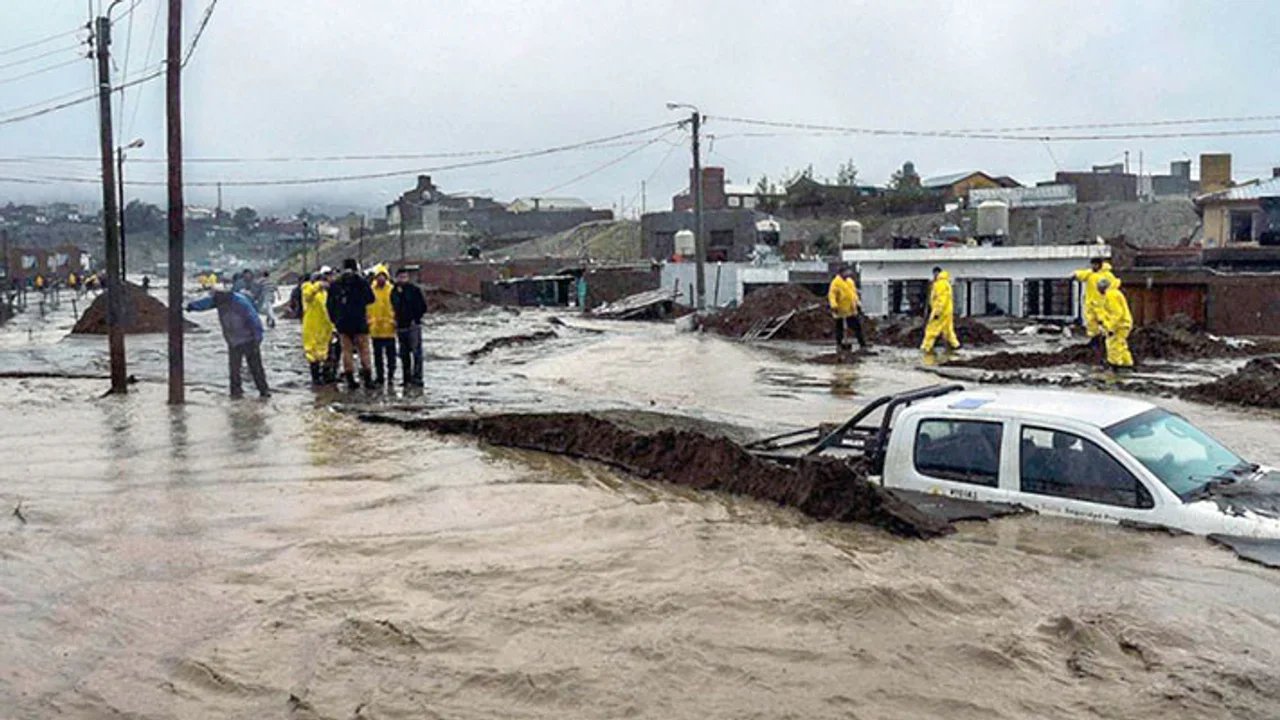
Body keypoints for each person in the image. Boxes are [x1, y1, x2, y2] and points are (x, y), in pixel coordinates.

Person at [186, 290, 270, 399]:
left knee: (255, 367)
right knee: (234, 368)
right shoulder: (218, 300)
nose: (220, 306)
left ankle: (263, 391)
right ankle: (236, 392)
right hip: (233, 340)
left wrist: (258, 339)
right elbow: (205, 304)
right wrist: (191, 306)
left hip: (249, 339)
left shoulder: (241, 303)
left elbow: (254, 320)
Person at [326, 258, 376, 389]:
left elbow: (329, 305)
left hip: (342, 322)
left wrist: (334, 320)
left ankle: (350, 379)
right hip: (360, 321)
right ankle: (368, 379)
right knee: (364, 350)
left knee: (346, 351)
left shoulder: (336, 283)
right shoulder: (361, 282)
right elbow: (371, 299)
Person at [1072, 257, 1116, 357]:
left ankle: (1105, 340)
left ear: (1100, 264)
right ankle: (1094, 339)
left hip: (1102, 303)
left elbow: (1113, 287)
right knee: (1091, 322)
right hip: (1091, 303)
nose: (1093, 266)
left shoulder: (1107, 275)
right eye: (1092, 264)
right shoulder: (1090, 273)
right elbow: (1081, 274)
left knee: (1104, 321)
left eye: (1095, 264)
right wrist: (1075, 275)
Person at [391, 266, 427, 387]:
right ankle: (406, 378)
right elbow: (394, 307)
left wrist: (415, 318)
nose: (403, 279)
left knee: (416, 353)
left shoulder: (414, 290)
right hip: (401, 326)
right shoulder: (394, 291)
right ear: (397, 278)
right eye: (401, 277)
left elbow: (422, 307)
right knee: (404, 354)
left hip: (413, 325)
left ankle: (417, 378)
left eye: (405, 277)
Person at [301, 269, 334, 386]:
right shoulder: (307, 288)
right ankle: (315, 378)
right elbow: (307, 296)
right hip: (311, 327)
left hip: (325, 327)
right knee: (313, 354)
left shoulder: (324, 293)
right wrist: (318, 285)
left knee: (326, 353)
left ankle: (326, 376)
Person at [366, 264, 397, 387]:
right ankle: (380, 377)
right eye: (378, 276)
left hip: (389, 328)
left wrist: (395, 320)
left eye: (383, 276)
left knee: (391, 356)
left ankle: (390, 376)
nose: (381, 279)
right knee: (378, 356)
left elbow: (396, 307)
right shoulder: (370, 290)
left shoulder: (392, 290)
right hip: (375, 329)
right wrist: (368, 321)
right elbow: (366, 308)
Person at [1095, 277, 1134, 369]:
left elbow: (1116, 313)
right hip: (1123, 323)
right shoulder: (1113, 293)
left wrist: (1109, 327)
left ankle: (1115, 365)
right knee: (1121, 344)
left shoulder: (1111, 295)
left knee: (1113, 345)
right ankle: (1127, 364)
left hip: (1119, 325)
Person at [921, 266, 960, 353]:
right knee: (948, 330)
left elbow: (941, 299)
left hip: (941, 311)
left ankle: (926, 347)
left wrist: (937, 312)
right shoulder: (946, 283)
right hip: (947, 311)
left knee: (932, 328)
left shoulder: (940, 284)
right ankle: (955, 345)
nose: (934, 275)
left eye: (935, 273)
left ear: (937, 273)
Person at [827, 264, 866, 352]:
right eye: (846, 272)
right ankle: (839, 345)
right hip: (840, 310)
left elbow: (853, 294)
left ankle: (862, 344)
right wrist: (834, 306)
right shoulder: (835, 283)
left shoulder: (850, 281)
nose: (848, 273)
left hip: (851, 309)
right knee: (839, 328)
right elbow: (832, 295)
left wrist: (857, 303)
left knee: (857, 327)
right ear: (841, 273)